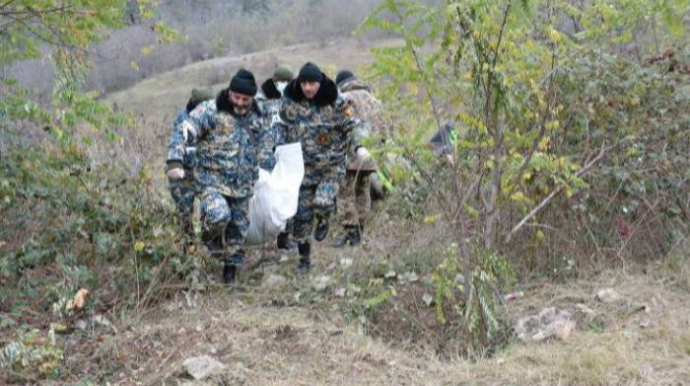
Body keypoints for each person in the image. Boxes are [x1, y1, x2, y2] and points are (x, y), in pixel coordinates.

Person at [168, 69, 265, 284]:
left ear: (252, 97)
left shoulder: (258, 116)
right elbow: (185, 130)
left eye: (245, 99)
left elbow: (265, 144)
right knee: (220, 215)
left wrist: (266, 173)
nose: (240, 102)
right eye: (236, 97)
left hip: (243, 185)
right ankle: (208, 235)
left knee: (238, 231)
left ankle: (229, 273)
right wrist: (174, 161)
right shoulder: (210, 110)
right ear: (229, 92)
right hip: (211, 181)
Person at [275, 62, 358, 273]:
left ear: (320, 82)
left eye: (312, 83)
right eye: (304, 83)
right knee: (301, 217)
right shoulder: (290, 102)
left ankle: (323, 219)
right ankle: (304, 261)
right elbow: (279, 127)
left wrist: (360, 146)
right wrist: (274, 149)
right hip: (302, 169)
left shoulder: (337, 101)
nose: (308, 88)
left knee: (322, 201)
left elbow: (354, 125)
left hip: (331, 167)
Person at [333, 70, 383, 247]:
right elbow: (384, 129)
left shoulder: (344, 98)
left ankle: (351, 232)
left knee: (345, 193)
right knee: (363, 191)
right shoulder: (374, 100)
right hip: (371, 155)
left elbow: (343, 126)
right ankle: (360, 228)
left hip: (350, 154)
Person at [256, 66, 299, 251]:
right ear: (275, 82)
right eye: (282, 82)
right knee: (265, 196)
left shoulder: (293, 102)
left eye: (288, 82)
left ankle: (284, 237)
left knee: (287, 193)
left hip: (285, 155)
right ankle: (262, 233)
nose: (285, 85)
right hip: (263, 157)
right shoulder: (259, 102)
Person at [166, 88, 214, 241]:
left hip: (205, 172)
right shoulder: (183, 119)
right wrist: (175, 163)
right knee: (185, 212)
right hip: (183, 175)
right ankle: (189, 244)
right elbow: (177, 143)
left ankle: (211, 242)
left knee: (212, 208)